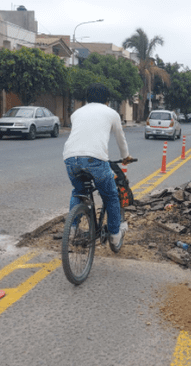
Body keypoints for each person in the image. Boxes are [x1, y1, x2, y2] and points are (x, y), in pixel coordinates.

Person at [63, 83, 134, 249]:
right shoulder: (111, 113)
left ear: (87, 99)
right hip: (95, 159)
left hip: (70, 158)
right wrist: (125, 157)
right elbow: (120, 138)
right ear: (107, 101)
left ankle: (72, 229)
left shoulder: (76, 113)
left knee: (79, 191)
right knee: (110, 196)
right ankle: (115, 235)